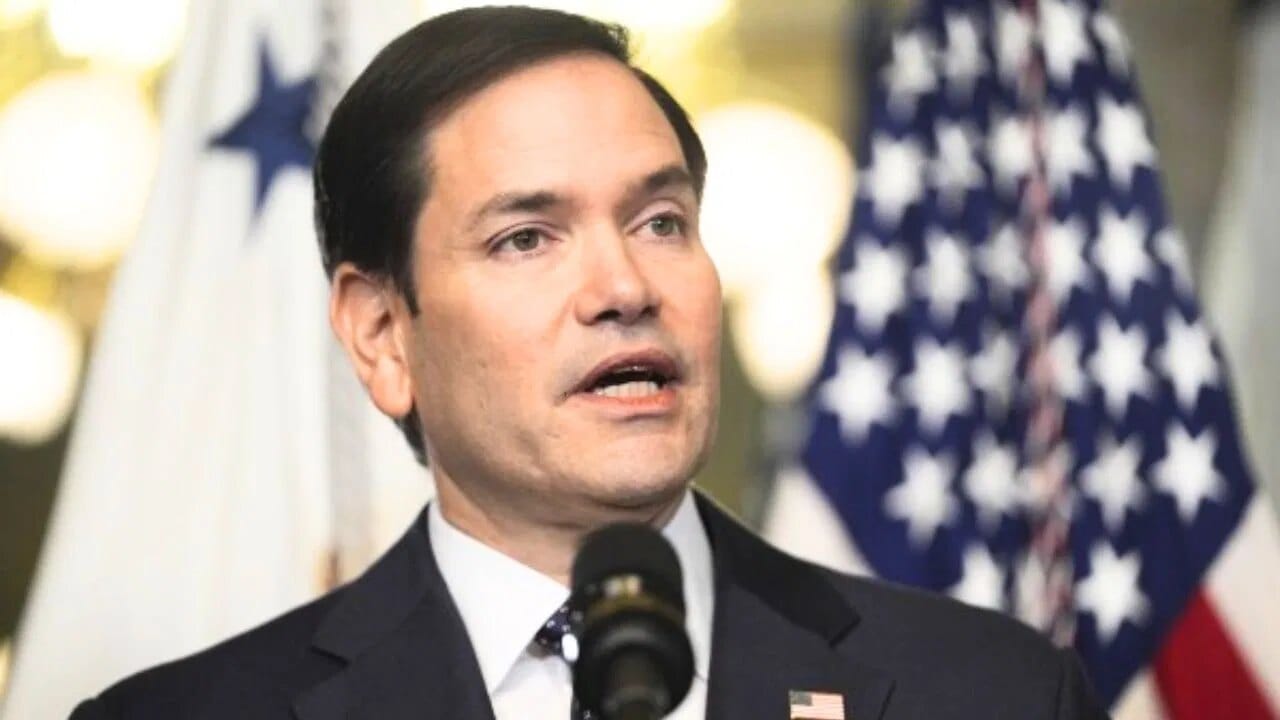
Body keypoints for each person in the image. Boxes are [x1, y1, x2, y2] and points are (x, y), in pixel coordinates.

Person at [70, 6, 1109, 719]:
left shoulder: (993, 695)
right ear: (382, 333)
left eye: (660, 222)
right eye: (526, 237)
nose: (624, 286)